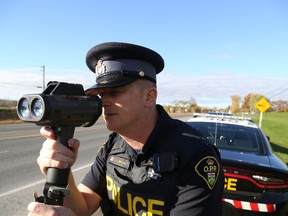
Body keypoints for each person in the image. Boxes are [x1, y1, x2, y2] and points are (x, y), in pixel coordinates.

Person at [27, 42, 224, 216]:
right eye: (101, 94)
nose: (105, 102)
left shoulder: (195, 155)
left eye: (114, 92)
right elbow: (84, 206)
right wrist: (62, 168)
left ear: (149, 96)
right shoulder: (113, 144)